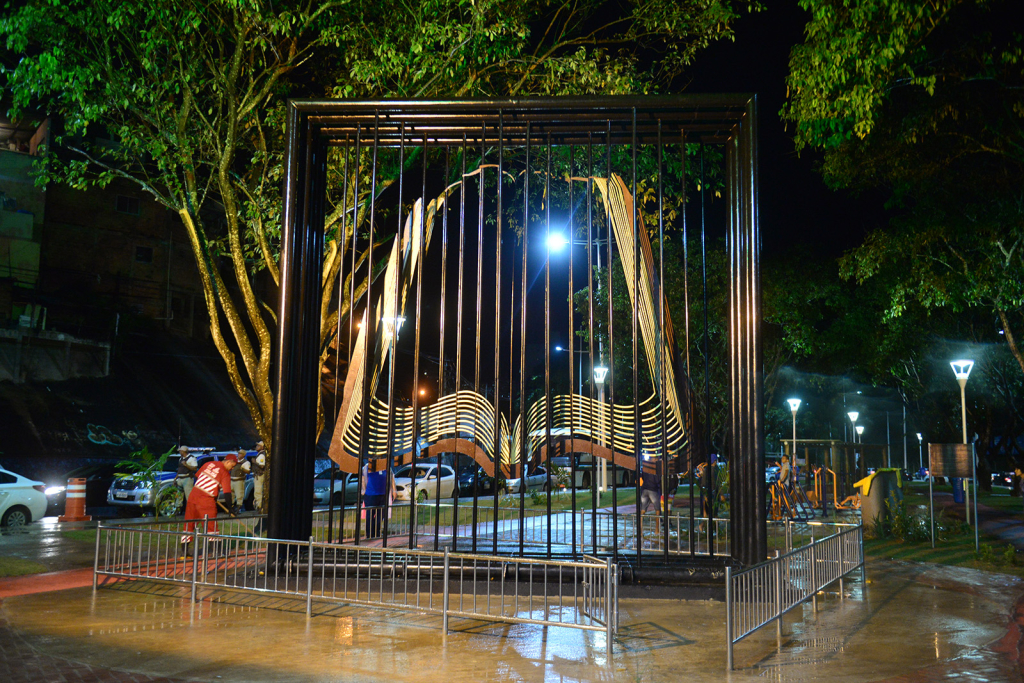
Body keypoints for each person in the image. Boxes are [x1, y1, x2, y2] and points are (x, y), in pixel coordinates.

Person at [180, 453, 237, 548]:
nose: (232, 469)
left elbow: (197, 476)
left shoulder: (209, 463)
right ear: (228, 462)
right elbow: (227, 493)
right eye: (232, 466)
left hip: (193, 496)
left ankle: (184, 552)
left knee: (189, 524)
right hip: (206, 500)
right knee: (211, 525)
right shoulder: (225, 473)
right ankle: (216, 552)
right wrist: (230, 508)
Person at [361, 459, 396, 538]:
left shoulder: (386, 466)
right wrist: (363, 490)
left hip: (383, 495)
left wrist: (394, 490)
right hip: (371, 495)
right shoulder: (368, 467)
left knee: (380, 516)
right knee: (370, 515)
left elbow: (391, 477)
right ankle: (369, 534)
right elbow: (363, 479)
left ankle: (377, 533)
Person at [230, 448, 250, 514]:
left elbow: (248, 471)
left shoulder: (246, 462)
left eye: (240, 453)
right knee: (231, 495)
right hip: (231, 480)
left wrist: (242, 468)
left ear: (243, 455)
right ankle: (231, 508)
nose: (239, 454)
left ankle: (238, 509)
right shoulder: (235, 461)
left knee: (239, 495)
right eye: (238, 453)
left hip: (239, 480)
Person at [252, 441, 267, 512]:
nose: (256, 447)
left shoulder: (261, 455)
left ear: (262, 447)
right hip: (258, 475)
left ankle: (259, 507)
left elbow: (262, 465)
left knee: (258, 491)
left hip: (259, 475)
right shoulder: (260, 454)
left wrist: (255, 462)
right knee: (258, 492)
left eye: (258, 446)